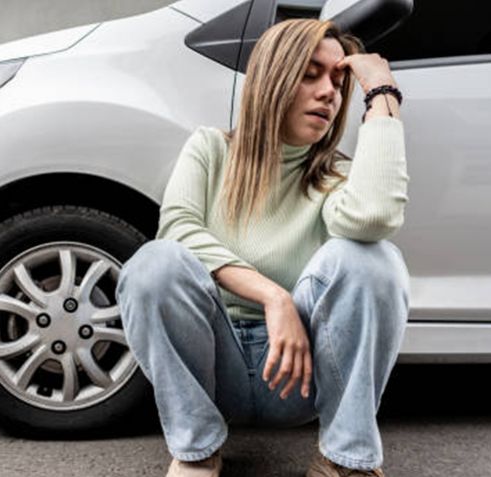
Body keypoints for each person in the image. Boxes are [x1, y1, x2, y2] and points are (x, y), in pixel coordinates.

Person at [115, 18, 410, 477]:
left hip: (302, 374)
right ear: (272, 79)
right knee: (154, 264)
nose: (330, 92)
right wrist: (274, 297)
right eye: (310, 73)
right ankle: (196, 451)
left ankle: (344, 461)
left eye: (338, 80)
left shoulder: (336, 179)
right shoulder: (211, 149)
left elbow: (376, 217)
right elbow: (177, 228)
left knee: (372, 257)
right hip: (215, 366)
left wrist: (382, 94)